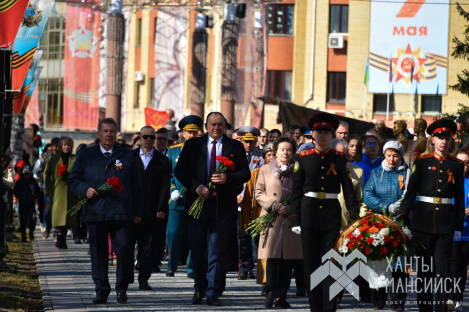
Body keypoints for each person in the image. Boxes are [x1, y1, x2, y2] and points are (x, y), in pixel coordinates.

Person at [174, 112, 250, 306]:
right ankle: (199, 288)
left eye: (220, 124)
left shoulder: (235, 146)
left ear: (225, 126)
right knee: (198, 248)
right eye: (212, 124)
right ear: (206, 126)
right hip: (197, 204)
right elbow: (180, 170)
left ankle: (213, 291)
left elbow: (245, 173)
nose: (216, 128)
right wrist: (195, 186)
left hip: (222, 207)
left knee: (217, 251)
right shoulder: (193, 145)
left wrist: (228, 178)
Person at [69, 118, 143, 305]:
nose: (109, 134)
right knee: (99, 254)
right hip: (96, 212)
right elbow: (74, 180)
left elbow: (136, 186)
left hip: (122, 212)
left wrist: (138, 212)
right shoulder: (86, 155)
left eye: (112, 131)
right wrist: (85, 189)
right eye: (105, 131)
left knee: (125, 252)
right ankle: (101, 291)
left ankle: (121, 289)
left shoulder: (127, 156)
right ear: (98, 134)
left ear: (116, 133)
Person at [290, 113, 359, 312]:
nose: (322, 135)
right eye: (319, 132)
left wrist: (354, 216)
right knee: (311, 264)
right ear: (312, 134)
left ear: (331, 135)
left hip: (331, 216)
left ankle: (329, 307)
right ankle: (315, 307)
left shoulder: (338, 159)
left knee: (330, 262)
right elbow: (296, 191)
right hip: (308, 214)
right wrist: (295, 218)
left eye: (326, 132)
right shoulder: (302, 159)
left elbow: (348, 189)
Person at [398, 119, 464, 312]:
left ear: (451, 140)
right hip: (423, 221)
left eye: (448, 137)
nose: (444, 141)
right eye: (440, 137)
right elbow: (411, 192)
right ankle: (425, 308)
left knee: (443, 271)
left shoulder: (457, 165)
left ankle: (441, 309)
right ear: (432, 139)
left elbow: (459, 197)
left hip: (446, 222)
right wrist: (402, 216)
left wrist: (458, 226)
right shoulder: (422, 162)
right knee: (425, 271)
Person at [255, 136, 302, 309]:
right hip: (271, 219)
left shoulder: (298, 171)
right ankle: (270, 293)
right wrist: (273, 204)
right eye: (282, 149)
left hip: (289, 220)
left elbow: (301, 194)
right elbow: (258, 192)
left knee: (288, 260)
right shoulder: (266, 169)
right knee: (272, 259)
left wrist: (289, 207)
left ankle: (281, 296)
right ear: (275, 151)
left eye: (289, 150)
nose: (285, 153)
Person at [363, 141, 410, 311]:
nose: (392, 159)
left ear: (401, 156)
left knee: (399, 265)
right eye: (389, 155)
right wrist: (384, 207)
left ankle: (398, 302)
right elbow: (367, 194)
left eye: (396, 155)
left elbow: (415, 194)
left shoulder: (408, 174)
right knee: (378, 262)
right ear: (384, 155)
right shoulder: (376, 173)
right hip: (379, 224)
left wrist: (403, 206)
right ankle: (378, 301)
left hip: (401, 224)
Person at [133, 125, 171, 290]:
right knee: (128, 246)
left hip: (151, 209)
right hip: (132, 209)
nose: (149, 140)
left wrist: (161, 207)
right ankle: (126, 278)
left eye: (151, 137)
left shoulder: (162, 160)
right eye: (146, 137)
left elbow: (164, 186)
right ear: (140, 138)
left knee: (148, 247)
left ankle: (143, 279)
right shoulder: (130, 157)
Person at [167, 115, 204, 278]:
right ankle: (171, 265)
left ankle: (191, 267)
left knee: (193, 235)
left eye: (194, 132)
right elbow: (168, 175)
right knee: (173, 233)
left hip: (196, 198)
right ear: (182, 133)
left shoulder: (203, 150)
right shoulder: (173, 150)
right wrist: (173, 189)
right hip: (177, 200)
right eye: (188, 132)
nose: (191, 135)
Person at [240, 143, 274, 295]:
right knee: (263, 253)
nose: (272, 157)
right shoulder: (256, 173)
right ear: (264, 158)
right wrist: (245, 222)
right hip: (261, 219)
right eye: (269, 155)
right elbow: (248, 199)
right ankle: (266, 283)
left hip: (282, 219)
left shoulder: (287, 173)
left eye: (274, 154)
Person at [237, 126, 263, 280]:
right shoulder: (235, 155)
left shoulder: (260, 156)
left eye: (251, 142)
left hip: (256, 203)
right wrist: (236, 196)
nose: (248, 145)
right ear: (241, 140)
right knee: (242, 237)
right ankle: (244, 267)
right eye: (246, 142)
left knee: (258, 237)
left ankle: (256, 266)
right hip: (240, 203)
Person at [44, 137, 79, 249]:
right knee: (58, 216)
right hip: (57, 191)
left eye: (68, 145)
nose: (66, 147)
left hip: (71, 191)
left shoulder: (75, 159)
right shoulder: (55, 159)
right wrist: (49, 186)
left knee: (68, 217)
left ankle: (62, 240)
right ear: (60, 146)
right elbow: (46, 173)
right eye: (64, 145)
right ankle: (59, 240)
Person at [448, 147, 469, 312]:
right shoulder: (448, 180)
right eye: (459, 162)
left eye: (466, 162)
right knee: (452, 266)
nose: (463, 165)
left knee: (462, 268)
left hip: (467, 233)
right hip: (451, 230)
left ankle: (458, 298)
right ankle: (450, 297)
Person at [36, 137, 60, 239]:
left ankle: (56, 231)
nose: (55, 148)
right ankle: (47, 227)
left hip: (60, 188)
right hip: (48, 188)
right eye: (54, 146)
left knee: (58, 210)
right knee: (47, 211)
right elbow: (39, 171)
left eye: (57, 146)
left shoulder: (63, 157)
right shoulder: (46, 156)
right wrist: (46, 178)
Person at [13, 165, 40, 242]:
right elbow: (15, 190)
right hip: (22, 203)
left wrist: (36, 196)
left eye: (28, 174)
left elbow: (37, 191)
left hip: (31, 204)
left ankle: (31, 232)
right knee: (23, 220)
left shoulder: (33, 181)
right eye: (25, 174)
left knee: (33, 219)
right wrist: (19, 196)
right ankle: (23, 236)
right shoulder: (20, 181)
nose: (27, 176)